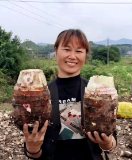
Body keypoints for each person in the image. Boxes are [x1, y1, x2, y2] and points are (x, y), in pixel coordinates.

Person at [23, 29, 117, 160]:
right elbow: (33, 149)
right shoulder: (39, 94)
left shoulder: (98, 92)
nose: (72, 56)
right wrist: (32, 148)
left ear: (85, 55)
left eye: (79, 51)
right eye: (67, 49)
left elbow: (111, 141)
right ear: (56, 51)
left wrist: (107, 143)